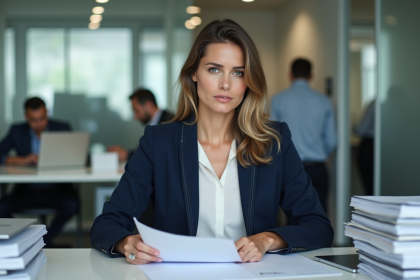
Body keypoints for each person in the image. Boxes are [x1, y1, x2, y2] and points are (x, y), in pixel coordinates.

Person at [91, 19, 333, 265]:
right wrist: (126, 244)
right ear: (194, 73)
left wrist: (267, 240)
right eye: (214, 69)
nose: (226, 84)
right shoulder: (158, 142)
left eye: (238, 72)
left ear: (248, 81)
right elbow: (107, 224)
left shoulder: (274, 141)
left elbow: (318, 226)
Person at [0, 97, 80, 247]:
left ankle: (42, 241)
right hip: (27, 190)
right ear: (26, 117)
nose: (39, 123)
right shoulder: (17, 130)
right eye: (34, 120)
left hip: (57, 189)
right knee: (2, 207)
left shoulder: (62, 128)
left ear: (47, 112)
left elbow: (81, 156)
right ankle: (28, 238)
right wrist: (22, 160)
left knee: (73, 204)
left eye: (42, 118)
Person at [270, 58, 336, 214]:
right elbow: (332, 140)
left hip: (289, 169)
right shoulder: (324, 101)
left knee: (292, 217)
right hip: (318, 168)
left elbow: (271, 137)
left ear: (290, 75)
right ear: (311, 76)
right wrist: (318, 154)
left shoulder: (278, 100)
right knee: (319, 217)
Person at [107, 89, 174, 162]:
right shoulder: (155, 123)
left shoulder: (170, 122)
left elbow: (157, 153)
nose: (135, 116)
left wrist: (126, 155)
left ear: (149, 105)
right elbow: (148, 150)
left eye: (137, 110)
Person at [353, 100, 375, 195]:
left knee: (371, 188)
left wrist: (350, 125)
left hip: (370, 146)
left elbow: (361, 129)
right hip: (390, 147)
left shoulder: (375, 103)